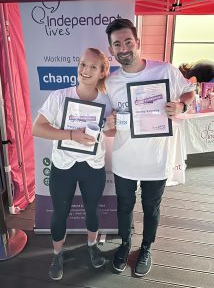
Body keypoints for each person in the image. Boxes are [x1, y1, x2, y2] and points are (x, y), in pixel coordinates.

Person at [104, 18, 195, 277]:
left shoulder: (164, 70)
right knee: (124, 206)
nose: (124, 48)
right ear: (111, 50)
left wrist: (182, 106)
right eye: (117, 44)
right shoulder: (111, 83)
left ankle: (145, 247)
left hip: (157, 158)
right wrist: (108, 124)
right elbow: (110, 128)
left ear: (138, 43)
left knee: (151, 207)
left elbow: (190, 91)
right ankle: (125, 243)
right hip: (124, 159)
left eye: (128, 42)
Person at [32, 48, 112, 281]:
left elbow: (113, 130)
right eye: (82, 64)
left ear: (102, 72)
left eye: (93, 67)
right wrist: (70, 135)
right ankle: (57, 254)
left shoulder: (106, 101)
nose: (85, 70)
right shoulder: (59, 96)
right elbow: (37, 128)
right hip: (63, 165)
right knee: (60, 212)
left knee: (92, 210)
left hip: (93, 165)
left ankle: (91, 245)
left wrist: (112, 124)